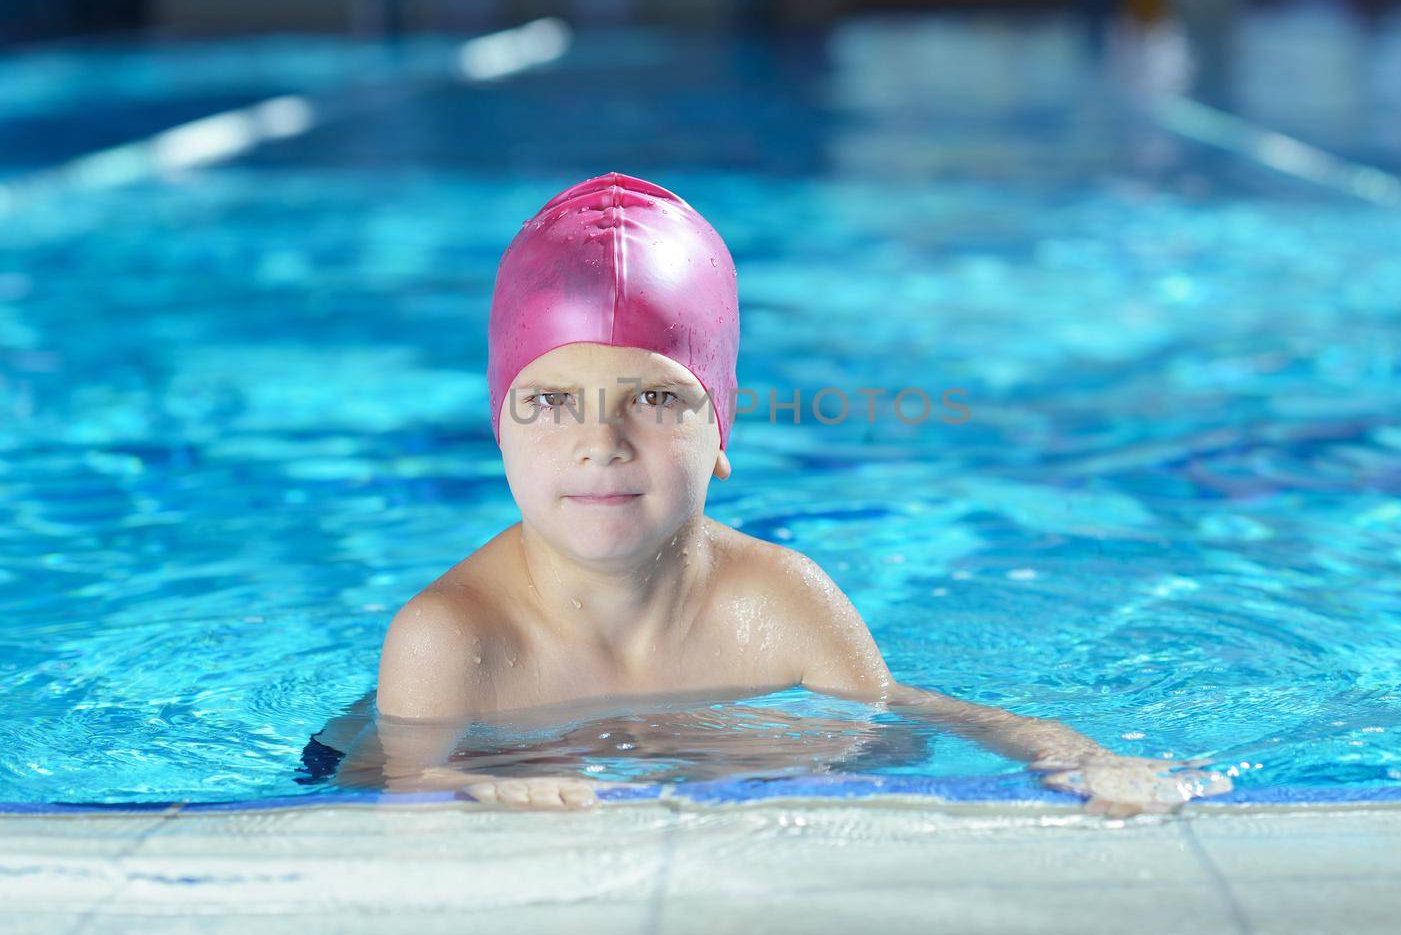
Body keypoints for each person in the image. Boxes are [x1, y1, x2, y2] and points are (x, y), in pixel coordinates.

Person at [315, 172, 1232, 816]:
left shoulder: (784, 602)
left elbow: (906, 724)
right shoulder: (452, 638)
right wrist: (473, 790)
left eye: (655, 399)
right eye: (551, 401)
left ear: (722, 431)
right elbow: (388, 794)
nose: (600, 445)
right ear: (497, 428)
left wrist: (1071, 751)